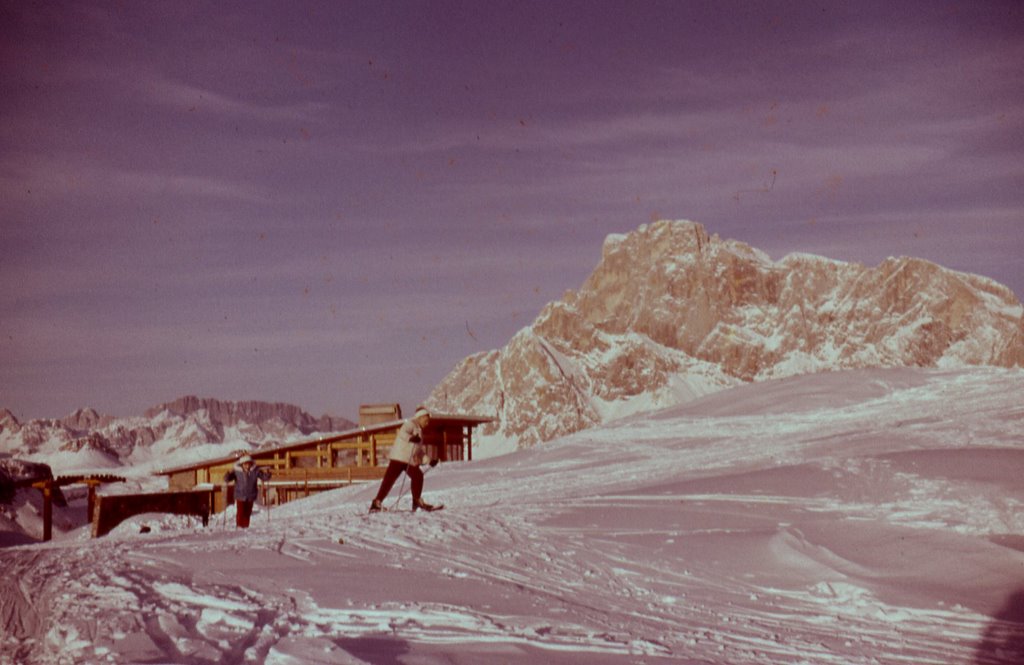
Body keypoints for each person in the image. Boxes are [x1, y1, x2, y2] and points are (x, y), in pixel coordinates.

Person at [369, 406, 442, 512]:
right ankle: (376, 503)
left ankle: (416, 502)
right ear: (420, 417)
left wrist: (430, 461)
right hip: (399, 458)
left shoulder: (420, 431)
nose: (428, 422)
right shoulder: (411, 424)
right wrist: (411, 438)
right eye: (426, 420)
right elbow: (403, 433)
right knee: (389, 480)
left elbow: (419, 452)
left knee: (418, 476)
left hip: (408, 460)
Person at [222, 454, 271, 528]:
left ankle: (245, 527)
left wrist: (267, 475)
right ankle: (239, 526)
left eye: (249, 464)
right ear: (242, 464)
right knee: (240, 512)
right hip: (240, 495)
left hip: (251, 495)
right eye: (245, 464)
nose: (247, 466)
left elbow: (264, 477)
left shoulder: (255, 471)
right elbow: (227, 479)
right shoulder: (237, 471)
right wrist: (227, 475)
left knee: (247, 513)